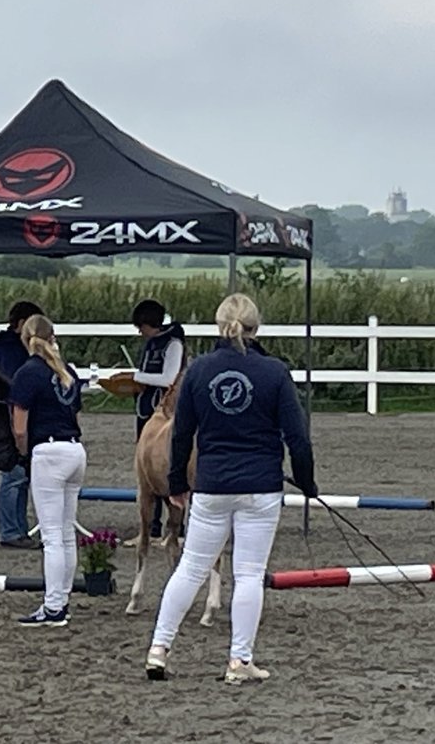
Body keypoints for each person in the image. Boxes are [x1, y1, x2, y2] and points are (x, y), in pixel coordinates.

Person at [144, 293, 317, 684]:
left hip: (211, 485)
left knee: (190, 568)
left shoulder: (200, 371)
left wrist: (175, 484)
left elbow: (181, 435)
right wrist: (307, 482)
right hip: (260, 487)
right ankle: (239, 660)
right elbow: (298, 439)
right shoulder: (274, 373)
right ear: (257, 327)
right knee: (249, 574)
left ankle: (159, 648)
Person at [9, 313, 85, 627]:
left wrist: (24, 453)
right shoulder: (67, 371)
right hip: (75, 450)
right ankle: (61, 599)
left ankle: (53, 606)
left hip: (48, 451)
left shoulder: (28, 373)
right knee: (66, 534)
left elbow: (19, 427)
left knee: (52, 536)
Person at [129, 299, 186, 541]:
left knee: (165, 466)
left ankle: (175, 526)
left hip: (165, 414)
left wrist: (137, 376)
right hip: (148, 411)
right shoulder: (153, 344)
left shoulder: (173, 345)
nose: (140, 332)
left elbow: (169, 378)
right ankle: (152, 525)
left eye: (141, 327)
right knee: (147, 469)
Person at [0, 300, 44, 549]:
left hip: (17, 411)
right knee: (15, 474)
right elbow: (16, 381)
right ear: (22, 324)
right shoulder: (11, 349)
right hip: (13, 413)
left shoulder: (7, 348)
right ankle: (11, 530)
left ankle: (16, 528)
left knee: (20, 475)